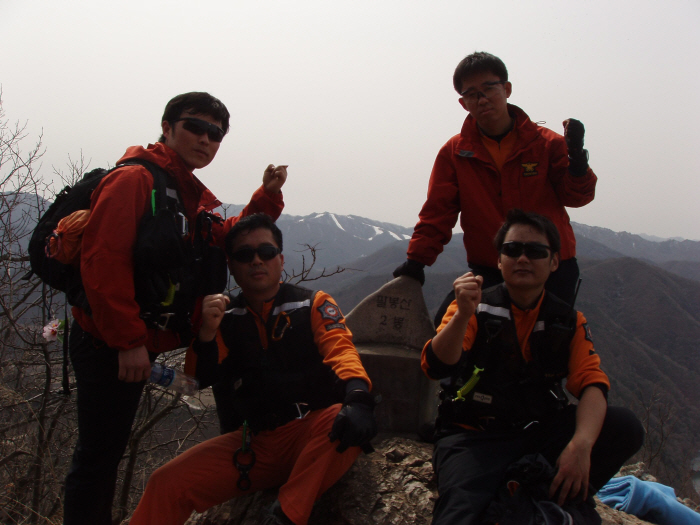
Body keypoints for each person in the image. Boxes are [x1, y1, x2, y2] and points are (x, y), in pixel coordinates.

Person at [64, 92, 288, 524]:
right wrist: (128, 342)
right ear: (167, 128)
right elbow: (103, 263)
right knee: (97, 458)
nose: (206, 139)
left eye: (215, 134)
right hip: (109, 343)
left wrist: (266, 197)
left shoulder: (184, 191)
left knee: (106, 453)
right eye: (195, 127)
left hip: (135, 342)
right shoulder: (136, 181)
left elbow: (222, 237)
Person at [130, 213, 378, 525]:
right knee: (166, 483)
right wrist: (206, 332)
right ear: (231, 266)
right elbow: (195, 380)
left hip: (313, 433)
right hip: (254, 443)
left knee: (340, 420)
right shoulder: (225, 318)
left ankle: (285, 515)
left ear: (281, 259)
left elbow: (340, 349)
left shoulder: (312, 304)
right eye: (245, 255)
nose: (257, 260)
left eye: (267, 252)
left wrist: (358, 395)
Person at [422, 209, 643, 525]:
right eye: (512, 250)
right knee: (459, 516)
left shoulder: (567, 320)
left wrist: (581, 445)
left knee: (624, 426)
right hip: (475, 436)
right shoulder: (472, 307)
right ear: (499, 261)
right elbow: (435, 365)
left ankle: (553, 493)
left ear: (554, 262)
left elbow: (592, 384)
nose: (522, 258)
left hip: (538, 431)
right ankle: (533, 496)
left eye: (536, 251)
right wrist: (462, 317)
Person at [393, 51, 597, 323]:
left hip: (549, 266)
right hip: (491, 267)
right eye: (471, 94)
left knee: (547, 343)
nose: (482, 99)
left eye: (489, 88)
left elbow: (578, 197)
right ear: (463, 103)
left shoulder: (547, 144)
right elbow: (437, 212)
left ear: (507, 89)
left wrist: (578, 162)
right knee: (451, 334)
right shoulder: (454, 153)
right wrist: (416, 262)